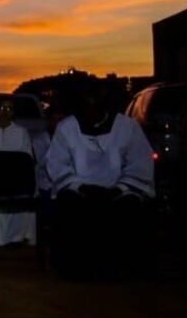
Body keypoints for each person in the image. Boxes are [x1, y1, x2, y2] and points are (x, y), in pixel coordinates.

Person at [45, 85, 154, 279]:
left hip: (120, 191)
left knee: (130, 209)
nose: (90, 112)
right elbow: (57, 163)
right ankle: (76, 269)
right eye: (86, 108)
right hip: (79, 190)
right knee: (69, 206)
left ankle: (121, 269)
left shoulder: (127, 127)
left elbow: (140, 162)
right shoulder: (67, 128)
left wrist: (119, 188)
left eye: (95, 107)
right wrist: (80, 186)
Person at [0, 98, 35, 246]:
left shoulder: (21, 132)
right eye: (2, 108)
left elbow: (27, 157)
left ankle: (18, 235)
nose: (5, 112)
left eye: (9, 109)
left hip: (16, 180)